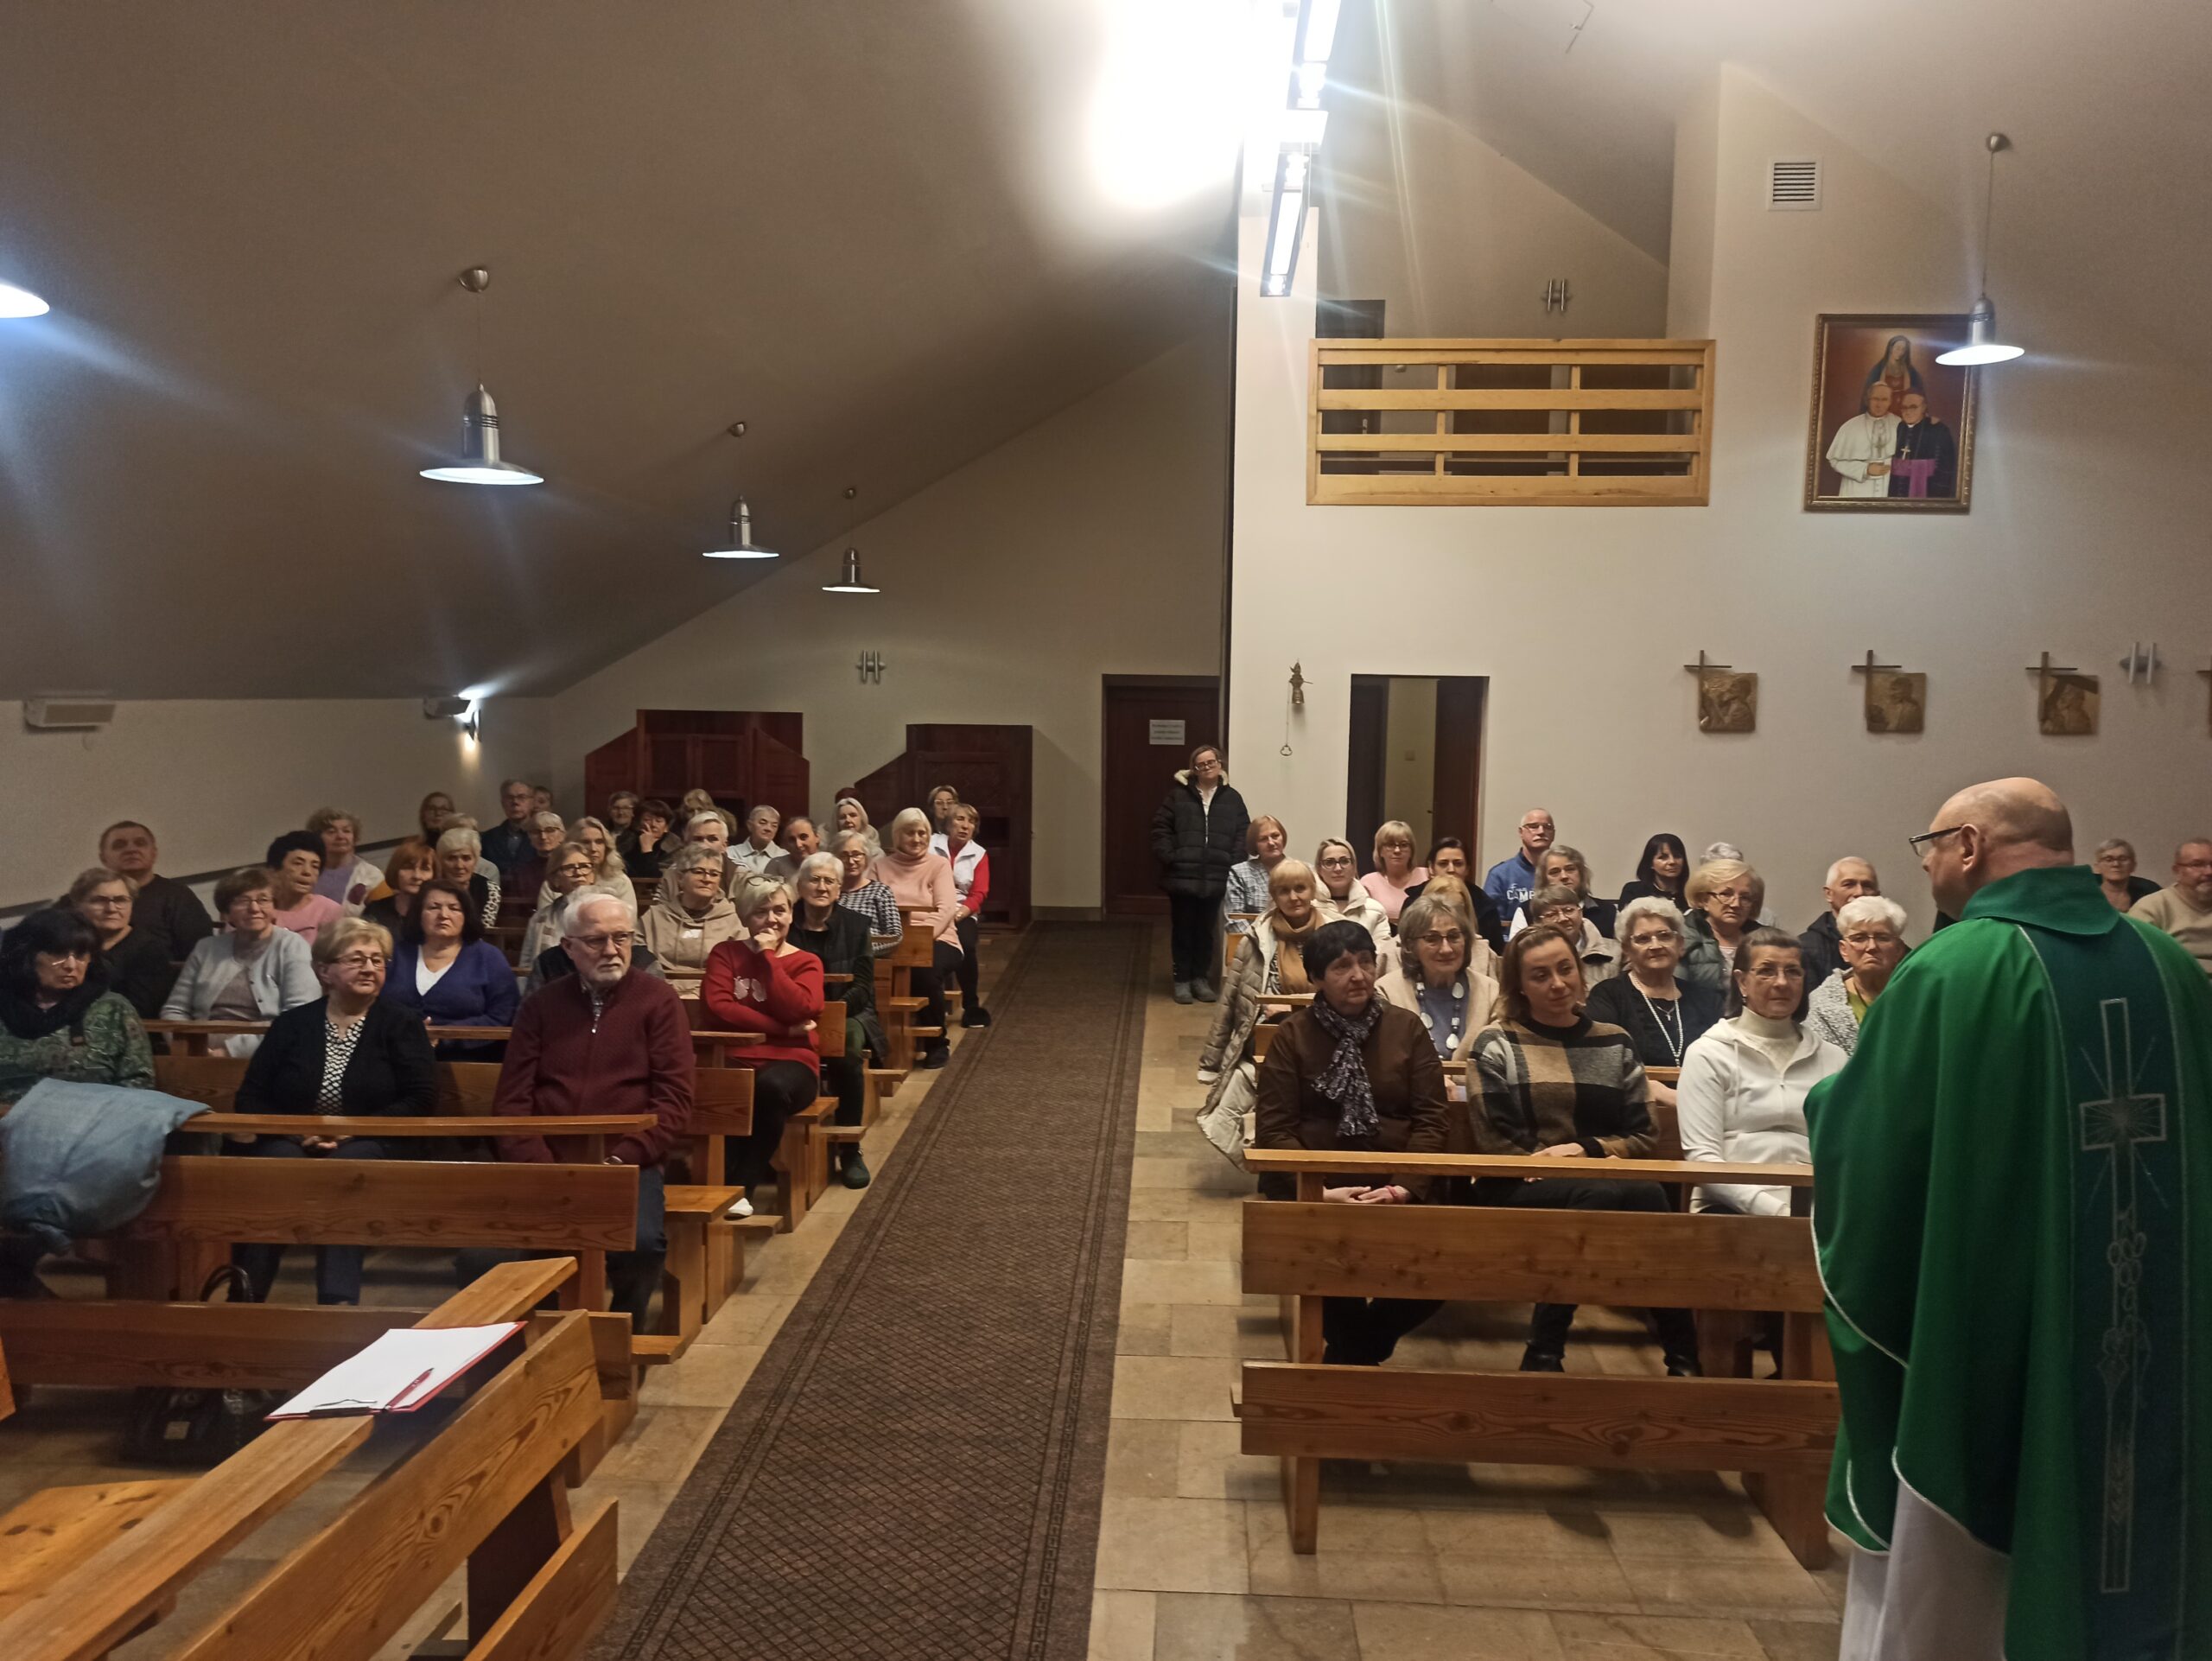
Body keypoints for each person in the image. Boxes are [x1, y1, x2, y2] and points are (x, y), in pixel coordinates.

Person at [1808, 776, 2212, 1650]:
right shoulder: (2171, 967)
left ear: (1967, 846)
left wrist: (1826, 1105)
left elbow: (1868, 1149)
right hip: (2162, 1334)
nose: (1928, 867)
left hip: (1989, 1341)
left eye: (1930, 847)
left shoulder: (1952, 969)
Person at [1470, 925, 1701, 1377]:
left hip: (1602, 1181)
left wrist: (1584, 1150)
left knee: (1646, 1193)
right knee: (1605, 1192)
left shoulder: (1614, 1040)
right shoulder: (1496, 1042)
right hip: (1516, 1185)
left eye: (1565, 969)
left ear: (1580, 971)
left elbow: (1643, 1133)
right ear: (1520, 985)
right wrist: (1554, 1164)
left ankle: (1681, 1356)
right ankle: (1547, 1350)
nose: (1558, 984)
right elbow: (1494, 1138)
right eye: (1540, 976)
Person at [1253, 920, 1452, 1366]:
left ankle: (1349, 1358)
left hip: (1400, 1184)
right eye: (1342, 967)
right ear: (1317, 978)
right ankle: (1356, 1361)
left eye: (1365, 962)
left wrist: (1402, 1187)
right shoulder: (1293, 1035)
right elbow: (1276, 1131)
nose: (1358, 975)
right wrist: (1317, 1192)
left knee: (1445, 1265)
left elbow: (1432, 1120)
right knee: (1324, 1253)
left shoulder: (1406, 1029)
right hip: (1320, 1191)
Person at [493, 893, 694, 1327]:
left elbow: (674, 1100)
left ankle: (622, 1331)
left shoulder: (658, 1000)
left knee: (641, 1244)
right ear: (568, 947)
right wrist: (541, 1163)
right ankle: (541, 1337)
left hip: (628, 1161)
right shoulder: (541, 1006)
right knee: (489, 1253)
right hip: (547, 1161)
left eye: (622, 938)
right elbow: (511, 1101)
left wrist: (622, 1158)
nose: (611, 950)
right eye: (596, 940)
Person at [228, 918, 435, 1304]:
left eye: (377, 960)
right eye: (357, 959)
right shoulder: (293, 1024)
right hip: (293, 1139)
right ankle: (246, 1295)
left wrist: (353, 1131)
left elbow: (420, 1098)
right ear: (324, 971)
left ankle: (337, 1300)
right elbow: (251, 1097)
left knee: (344, 1170)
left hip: (375, 1140)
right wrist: (297, 1134)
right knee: (276, 1169)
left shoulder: (402, 1023)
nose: (370, 968)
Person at [1676, 927, 1846, 1217]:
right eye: (1766, 971)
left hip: (1815, 1206)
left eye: (1792, 972)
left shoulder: (1833, 1058)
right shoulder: (1708, 1053)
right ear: (1742, 981)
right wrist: (1778, 1212)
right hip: (1728, 1206)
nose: (1781, 982)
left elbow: (1843, 1151)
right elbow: (1703, 1158)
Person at [702, 875, 824, 1207]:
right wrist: (783, 1030)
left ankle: (742, 1187)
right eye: (761, 911)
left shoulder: (806, 961)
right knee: (717, 1088)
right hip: (735, 1057)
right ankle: (709, 1184)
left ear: (792, 915)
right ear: (745, 917)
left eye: (780, 911)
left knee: (768, 1088)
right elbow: (717, 1009)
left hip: (792, 1063)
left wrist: (768, 957)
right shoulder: (725, 953)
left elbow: (801, 1007)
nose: (771, 919)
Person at [0, 906, 155, 1105]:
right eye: (58, 954)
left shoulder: (113, 1009)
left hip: (93, 1119)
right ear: (27, 956)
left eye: (81, 956)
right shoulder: (5, 1005)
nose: (71, 965)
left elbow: (139, 1081)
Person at [1197, 858, 1326, 1091]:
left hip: (1324, 1029)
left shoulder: (1333, 934)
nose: (1293, 897)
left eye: (1300, 888)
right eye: (1284, 891)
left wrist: (1290, 1009)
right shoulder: (1256, 938)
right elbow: (1228, 1001)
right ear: (1274, 896)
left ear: (1312, 890)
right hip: (1266, 1029)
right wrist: (1210, 1063)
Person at [1377, 894, 1500, 1140]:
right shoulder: (1386, 992)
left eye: (1454, 936)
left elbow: (1499, 1065)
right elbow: (1387, 1067)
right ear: (1410, 945)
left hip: (1480, 1116)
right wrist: (1430, 1086)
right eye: (1432, 939)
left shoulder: (1491, 992)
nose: (1446, 949)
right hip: (1409, 1118)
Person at [790, 850, 879, 1188]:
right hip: (792, 1011)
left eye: (829, 881)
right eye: (814, 879)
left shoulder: (857, 926)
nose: (821, 887)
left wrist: (831, 1013)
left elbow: (863, 985)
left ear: (839, 889)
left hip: (848, 1010)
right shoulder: (785, 920)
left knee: (848, 1048)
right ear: (800, 885)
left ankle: (850, 1148)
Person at [162, 866, 319, 1056]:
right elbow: (175, 1009)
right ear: (227, 912)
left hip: (267, 1053)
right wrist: (188, 1049)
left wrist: (228, 1052)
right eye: (243, 901)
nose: (254, 908)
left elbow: (300, 1015)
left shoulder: (292, 946)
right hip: (199, 1052)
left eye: (263, 900)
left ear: (275, 908)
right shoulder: (206, 948)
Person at [1586, 897, 1725, 1108]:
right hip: (1635, 1111)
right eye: (1643, 939)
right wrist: (1654, 1089)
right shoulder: (1607, 996)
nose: (1656, 945)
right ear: (1626, 949)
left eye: (1664, 936)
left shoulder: (1707, 999)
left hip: (1708, 1107)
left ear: (1680, 944)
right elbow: (1601, 1064)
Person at [1150, 743, 1249, 1005]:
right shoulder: (1178, 796)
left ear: (1220, 764)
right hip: (1182, 875)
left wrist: (1232, 862)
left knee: (1206, 931)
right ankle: (1182, 980)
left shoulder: (1232, 798)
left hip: (1216, 875)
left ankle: (1200, 979)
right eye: (1200, 764)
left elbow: (1243, 832)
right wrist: (1171, 857)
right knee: (1183, 930)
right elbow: (1160, 828)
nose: (1206, 767)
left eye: (1211, 762)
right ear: (1193, 769)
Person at [384, 880, 518, 1057]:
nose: (443, 915)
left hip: (469, 1058)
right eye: (434, 907)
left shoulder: (489, 957)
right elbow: (374, 1005)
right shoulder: (396, 953)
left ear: (466, 915)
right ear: (418, 914)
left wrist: (443, 1034)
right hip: (394, 1053)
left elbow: (502, 1015)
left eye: (454, 908)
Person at [874, 808, 961, 1070]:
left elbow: (946, 909)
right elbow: (869, 905)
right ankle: (879, 1043)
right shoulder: (878, 866)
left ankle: (936, 1043)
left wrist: (917, 940)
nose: (917, 838)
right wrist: (893, 940)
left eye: (922, 833)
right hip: (890, 940)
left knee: (925, 972)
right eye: (910, 833)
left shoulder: (939, 865)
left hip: (937, 937)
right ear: (897, 836)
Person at [1804, 894, 1910, 1053]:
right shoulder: (1821, 1004)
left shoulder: (1918, 994)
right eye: (1859, 938)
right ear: (1844, 950)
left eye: (1882, 938)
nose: (1871, 947)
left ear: (1898, 949)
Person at [95, 820, 213, 959]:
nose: (131, 850)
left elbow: (201, 955)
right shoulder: (86, 899)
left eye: (140, 843)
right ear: (103, 858)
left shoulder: (178, 896)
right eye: (119, 845)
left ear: (154, 853)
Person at [67, 867, 176, 1017]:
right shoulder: (67, 946)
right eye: (100, 900)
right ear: (78, 906)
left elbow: (139, 1012)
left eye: (120, 900)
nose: (111, 908)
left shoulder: (150, 950)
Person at [638, 844, 741, 1000]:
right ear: (680, 878)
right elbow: (635, 949)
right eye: (698, 871)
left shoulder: (732, 919)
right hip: (658, 994)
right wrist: (660, 986)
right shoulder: (655, 915)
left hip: (713, 996)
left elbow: (739, 965)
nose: (707, 879)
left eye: (714, 874)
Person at [933, 803, 993, 1028]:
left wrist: (956, 915)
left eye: (971, 821)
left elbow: (979, 894)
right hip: (931, 906)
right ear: (948, 823)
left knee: (966, 944)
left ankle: (971, 1005)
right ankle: (931, 1004)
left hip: (962, 909)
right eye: (960, 819)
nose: (965, 825)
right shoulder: (931, 844)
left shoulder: (979, 854)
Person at [2127, 837, 2212, 973]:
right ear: (2177, 871)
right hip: (2181, 982)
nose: (2209, 872)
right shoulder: (2151, 908)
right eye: (2197, 865)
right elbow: (2134, 960)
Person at [1679, 858, 1763, 991]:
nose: (1736, 904)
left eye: (1745, 897)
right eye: (1726, 894)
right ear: (1704, 900)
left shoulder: (1765, 940)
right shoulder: (1683, 939)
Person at [518, 843, 603, 975]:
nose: (578, 873)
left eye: (584, 866)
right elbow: (526, 966)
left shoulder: (610, 911)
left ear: (593, 875)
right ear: (555, 878)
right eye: (569, 868)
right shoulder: (540, 919)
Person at [1797, 856, 1880, 987]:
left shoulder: (1892, 946)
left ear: (1877, 895)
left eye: (1867, 885)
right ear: (1829, 894)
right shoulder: (1805, 948)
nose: (1859, 892)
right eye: (1849, 884)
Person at [1508, 846, 1612, 939]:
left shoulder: (1608, 911)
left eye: (1570, 869)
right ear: (1544, 879)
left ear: (1581, 873)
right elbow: (1515, 952)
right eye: (1555, 872)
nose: (1564, 876)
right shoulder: (1527, 911)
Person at [1524, 883, 1620, 986]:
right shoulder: (1529, 957)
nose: (1563, 918)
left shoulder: (1616, 952)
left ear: (1580, 913)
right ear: (1538, 922)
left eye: (1568, 910)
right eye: (1552, 914)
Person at [263, 830, 343, 944]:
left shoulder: (329, 910)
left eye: (315, 866)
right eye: (298, 863)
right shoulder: (258, 908)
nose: (307, 872)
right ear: (274, 870)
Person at [1825, 379, 1899, 498]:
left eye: (1884, 399)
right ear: (1867, 400)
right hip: (1857, 487)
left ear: (1890, 401)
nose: (1879, 404)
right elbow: (1835, 460)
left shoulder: (1899, 424)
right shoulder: (1851, 426)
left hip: (1888, 485)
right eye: (1875, 399)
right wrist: (1865, 469)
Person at [1313, 838, 1394, 942]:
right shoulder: (1310, 908)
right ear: (1319, 869)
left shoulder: (1375, 909)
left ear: (1354, 866)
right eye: (1329, 862)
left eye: (1344, 861)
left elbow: (1383, 948)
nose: (1338, 868)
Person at [1222, 815, 1289, 937]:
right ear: (1254, 845)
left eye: (1275, 836)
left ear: (1283, 838)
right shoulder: (1239, 873)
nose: (1271, 843)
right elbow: (1234, 920)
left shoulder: (1304, 870)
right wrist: (1263, 941)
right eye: (1263, 839)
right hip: (1252, 943)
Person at [307, 807, 382, 914]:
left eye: (346, 831)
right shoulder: (305, 871)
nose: (340, 836)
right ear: (317, 838)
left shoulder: (371, 875)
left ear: (355, 838)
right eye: (331, 832)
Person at [1483, 807, 1555, 917]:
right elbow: (1491, 921)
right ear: (1521, 832)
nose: (1541, 832)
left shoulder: (1562, 873)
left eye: (1547, 827)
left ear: (1553, 833)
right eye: (1534, 826)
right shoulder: (1500, 874)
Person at [1886, 389, 1958, 500]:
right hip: (1896, 492)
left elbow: (1945, 469)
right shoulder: (1898, 427)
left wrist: (1937, 498)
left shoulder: (1939, 430)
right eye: (1904, 407)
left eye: (1913, 407)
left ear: (1923, 408)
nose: (1908, 412)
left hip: (1927, 491)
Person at [362, 837, 435, 944]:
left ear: (434, 875)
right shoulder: (375, 910)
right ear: (396, 871)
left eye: (425, 869)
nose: (417, 876)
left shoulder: (440, 912)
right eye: (408, 868)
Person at [1358, 821, 1427, 923]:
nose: (1397, 850)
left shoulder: (1426, 875)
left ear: (1411, 851)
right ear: (1380, 851)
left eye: (1404, 845)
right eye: (1390, 845)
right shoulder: (1368, 882)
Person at [435, 824, 501, 929]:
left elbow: (483, 930)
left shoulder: (490, 889)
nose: (459, 866)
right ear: (441, 860)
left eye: (466, 858)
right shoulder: (430, 888)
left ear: (476, 860)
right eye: (451, 858)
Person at [506, 811, 569, 918]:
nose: (543, 836)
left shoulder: (572, 866)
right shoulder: (521, 872)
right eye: (536, 832)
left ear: (562, 835)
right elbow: (514, 911)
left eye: (550, 830)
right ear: (529, 837)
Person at [565, 817, 635, 911]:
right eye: (586, 842)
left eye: (599, 842)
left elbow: (629, 917)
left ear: (606, 846)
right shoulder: (561, 878)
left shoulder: (620, 881)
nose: (593, 849)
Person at [1616, 833, 1690, 911]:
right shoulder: (1634, 891)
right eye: (1663, 857)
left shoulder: (1690, 893)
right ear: (1650, 863)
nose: (1672, 862)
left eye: (1677, 856)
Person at [480, 778, 537, 878]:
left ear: (532, 803)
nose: (515, 802)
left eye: (522, 797)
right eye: (509, 797)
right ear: (502, 803)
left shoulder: (543, 837)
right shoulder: (488, 839)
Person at [2092, 837, 2161, 912]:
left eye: (2123, 859)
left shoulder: (2150, 895)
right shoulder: (2087, 898)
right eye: (2109, 859)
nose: (2116, 864)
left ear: (2133, 865)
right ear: (2097, 866)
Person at [623, 798, 678, 881]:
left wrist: (647, 849)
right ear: (639, 824)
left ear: (666, 827)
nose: (653, 825)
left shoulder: (674, 847)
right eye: (647, 820)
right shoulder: (627, 841)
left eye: (658, 821)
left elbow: (655, 879)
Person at [731, 804, 786, 878]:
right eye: (763, 823)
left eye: (774, 826)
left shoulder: (784, 857)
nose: (768, 829)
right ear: (750, 825)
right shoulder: (731, 853)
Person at [766, 816, 822, 885]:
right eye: (792, 840)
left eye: (803, 837)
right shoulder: (776, 865)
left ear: (817, 837)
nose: (798, 845)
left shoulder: (830, 863)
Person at [833, 796, 884, 860]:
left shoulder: (876, 854)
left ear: (862, 819)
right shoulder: (830, 853)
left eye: (853, 815)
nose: (848, 820)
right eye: (842, 817)